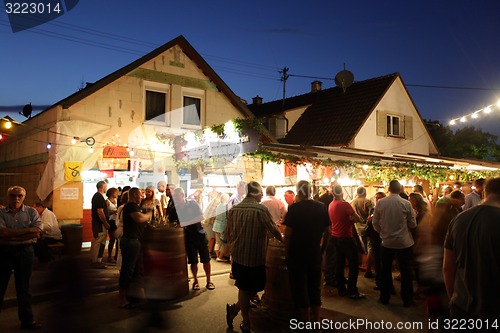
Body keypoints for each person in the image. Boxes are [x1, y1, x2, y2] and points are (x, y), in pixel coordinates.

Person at [225, 181, 283, 333]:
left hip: (238, 257)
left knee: (247, 290)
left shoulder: (234, 210)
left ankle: (234, 310)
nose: (262, 195)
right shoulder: (260, 209)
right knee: (247, 290)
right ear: (255, 192)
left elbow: (227, 233)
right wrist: (284, 243)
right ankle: (246, 322)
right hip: (255, 257)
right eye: (261, 192)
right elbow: (274, 230)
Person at [443, 177, 500, 320]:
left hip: (461, 306)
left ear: (483, 194)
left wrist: (453, 299)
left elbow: (448, 267)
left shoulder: (458, 219)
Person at [283, 180, 330, 326]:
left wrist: (286, 252)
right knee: (314, 288)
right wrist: (322, 251)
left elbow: (288, 234)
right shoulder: (321, 207)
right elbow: (329, 231)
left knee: (300, 289)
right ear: (311, 192)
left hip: (297, 255)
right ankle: (316, 323)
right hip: (314, 253)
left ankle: (306, 324)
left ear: (298, 192)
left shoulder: (294, 208)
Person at [0, 186, 42, 330]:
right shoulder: (1, 213)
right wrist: (27, 231)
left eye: (19, 196)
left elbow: (36, 232)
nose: (16, 199)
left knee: (23, 288)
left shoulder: (31, 211)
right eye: (13, 195)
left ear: (24, 197)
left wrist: (11, 233)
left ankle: (27, 321)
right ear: (8, 197)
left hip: (25, 252)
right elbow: (2, 234)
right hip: (5, 252)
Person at [372, 180, 417, 307]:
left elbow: (375, 222)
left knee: (385, 270)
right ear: (400, 189)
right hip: (404, 242)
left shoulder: (380, 203)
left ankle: (384, 297)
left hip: (387, 242)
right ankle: (407, 299)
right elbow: (413, 224)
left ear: (388, 188)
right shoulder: (406, 203)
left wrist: (382, 232)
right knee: (406, 271)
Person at [172, 188, 215, 291]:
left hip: (199, 235)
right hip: (187, 238)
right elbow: (172, 223)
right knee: (193, 261)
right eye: (175, 197)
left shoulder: (192, 204)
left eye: (177, 196)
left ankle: (209, 280)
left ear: (182, 195)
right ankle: (195, 281)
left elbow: (201, 217)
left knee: (206, 259)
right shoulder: (174, 209)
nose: (176, 198)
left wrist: (184, 223)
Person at [328, 184, 365, 299]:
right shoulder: (344, 204)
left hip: (335, 237)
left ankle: (341, 289)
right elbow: (358, 218)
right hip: (346, 237)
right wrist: (351, 219)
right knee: (354, 264)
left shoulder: (331, 205)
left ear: (332, 193)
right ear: (342, 192)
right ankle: (352, 290)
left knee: (339, 264)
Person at [118, 187, 152, 308]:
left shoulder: (135, 206)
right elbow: (139, 218)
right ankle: (122, 298)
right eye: (140, 194)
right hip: (130, 241)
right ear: (133, 195)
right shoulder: (130, 205)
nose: (142, 196)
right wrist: (148, 214)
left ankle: (140, 296)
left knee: (138, 269)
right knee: (127, 270)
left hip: (136, 241)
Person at [350, 186, 374, 277]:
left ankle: (364, 265)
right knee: (370, 248)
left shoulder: (352, 202)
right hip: (368, 226)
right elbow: (372, 213)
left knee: (363, 247)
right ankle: (368, 268)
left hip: (357, 227)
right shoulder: (368, 201)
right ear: (364, 192)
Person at [90, 181, 110, 269]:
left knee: (101, 241)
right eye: (106, 186)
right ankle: (95, 261)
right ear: (102, 187)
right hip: (99, 224)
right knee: (98, 241)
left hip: (99, 223)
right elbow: (100, 211)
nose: (106, 188)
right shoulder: (98, 197)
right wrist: (105, 223)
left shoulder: (99, 197)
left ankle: (98, 260)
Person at [213, 193, 230, 261]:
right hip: (223, 226)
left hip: (216, 225)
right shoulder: (226, 206)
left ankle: (217, 256)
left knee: (217, 242)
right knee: (224, 243)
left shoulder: (218, 206)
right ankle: (220, 257)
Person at [105, 187, 119, 264]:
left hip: (116, 220)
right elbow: (106, 213)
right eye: (116, 192)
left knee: (117, 239)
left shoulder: (116, 200)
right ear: (112, 193)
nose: (117, 194)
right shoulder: (107, 201)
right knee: (112, 239)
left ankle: (116, 255)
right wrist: (115, 211)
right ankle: (109, 256)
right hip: (111, 221)